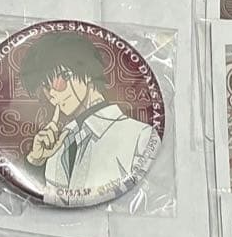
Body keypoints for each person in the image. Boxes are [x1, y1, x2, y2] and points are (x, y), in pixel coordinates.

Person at [19, 33, 160, 203]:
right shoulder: (59, 145)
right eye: (46, 89)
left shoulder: (141, 135)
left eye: (58, 82)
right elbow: (50, 199)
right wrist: (35, 162)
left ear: (86, 72)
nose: (53, 96)